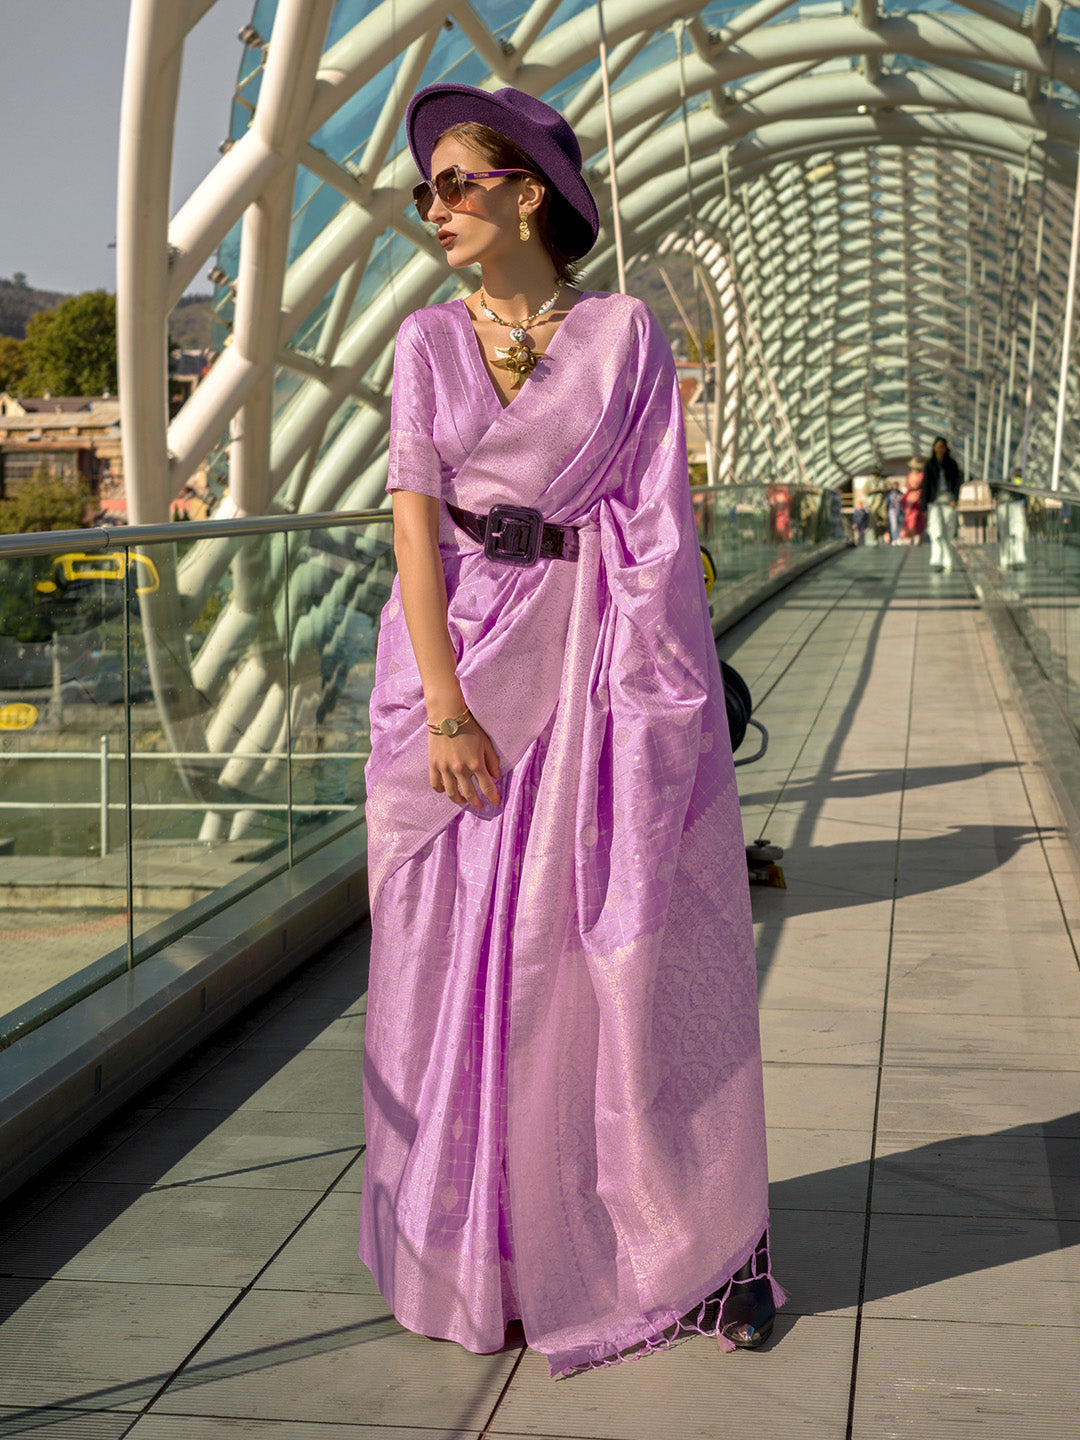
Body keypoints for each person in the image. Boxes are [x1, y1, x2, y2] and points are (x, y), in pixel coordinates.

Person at [359, 83, 783, 1379]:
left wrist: (649, 714)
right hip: (458, 673)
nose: (430, 207)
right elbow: (413, 530)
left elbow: (659, 534)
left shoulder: (623, 338)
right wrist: (444, 708)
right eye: (421, 189)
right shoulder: (427, 345)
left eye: (452, 182)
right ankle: (482, 1251)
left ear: (527, 191)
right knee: (454, 969)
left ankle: (699, 1249)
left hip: (594, 670)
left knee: (596, 968)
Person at [920, 436, 962, 570]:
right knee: (936, 531)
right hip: (935, 501)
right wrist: (924, 504)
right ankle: (938, 561)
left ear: (946, 448)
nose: (940, 449)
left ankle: (948, 561)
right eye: (937, 446)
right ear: (934, 448)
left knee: (948, 531)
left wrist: (955, 499)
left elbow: (957, 483)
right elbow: (925, 484)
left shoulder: (952, 464)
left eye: (942, 446)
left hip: (948, 500)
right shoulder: (930, 464)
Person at [901, 458, 926, 544]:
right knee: (909, 517)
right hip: (910, 498)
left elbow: (921, 485)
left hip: (919, 497)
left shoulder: (922, 475)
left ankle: (917, 536)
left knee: (919, 517)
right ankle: (909, 535)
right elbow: (908, 485)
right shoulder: (910, 475)